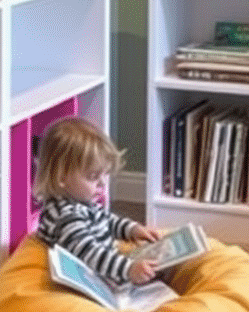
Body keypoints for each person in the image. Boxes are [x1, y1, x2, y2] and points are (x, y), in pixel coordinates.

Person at [34, 116, 161, 285]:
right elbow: (91, 254)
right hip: (94, 284)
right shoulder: (65, 217)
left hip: (108, 272)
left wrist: (132, 229)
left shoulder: (79, 202)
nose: (103, 183)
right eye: (93, 176)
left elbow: (106, 220)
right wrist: (128, 269)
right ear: (62, 177)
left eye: (105, 174)